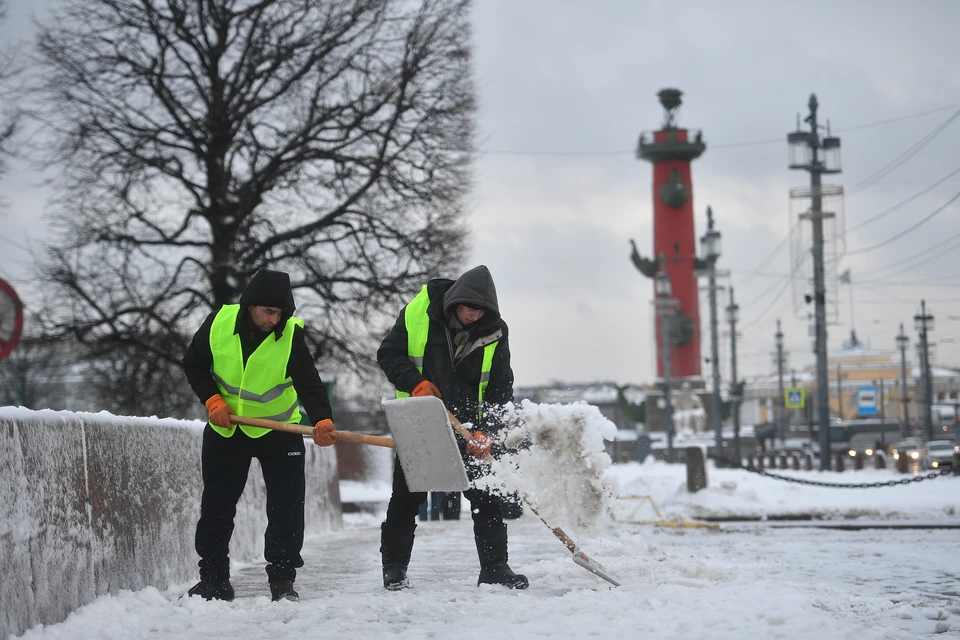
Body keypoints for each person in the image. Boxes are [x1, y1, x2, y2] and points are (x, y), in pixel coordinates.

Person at [181, 268, 337, 602]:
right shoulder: (218, 323)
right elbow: (193, 364)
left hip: (280, 431)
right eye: (269, 311)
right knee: (217, 506)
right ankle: (214, 580)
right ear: (250, 305)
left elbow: (309, 383)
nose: (274, 319)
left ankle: (282, 580)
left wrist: (323, 420)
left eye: (280, 313)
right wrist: (212, 400)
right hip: (228, 429)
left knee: (286, 507)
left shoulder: (291, 335)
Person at [376, 265, 528, 590]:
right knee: (406, 497)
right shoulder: (418, 312)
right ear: (455, 300)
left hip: (471, 427)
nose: (475, 316)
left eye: (482, 311)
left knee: (486, 498)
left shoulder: (495, 330)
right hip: (421, 419)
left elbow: (501, 386)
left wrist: (488, 429)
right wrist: (415, 383)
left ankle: (495, 568)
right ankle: (394, 569)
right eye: (470, 308)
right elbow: (388, 355)